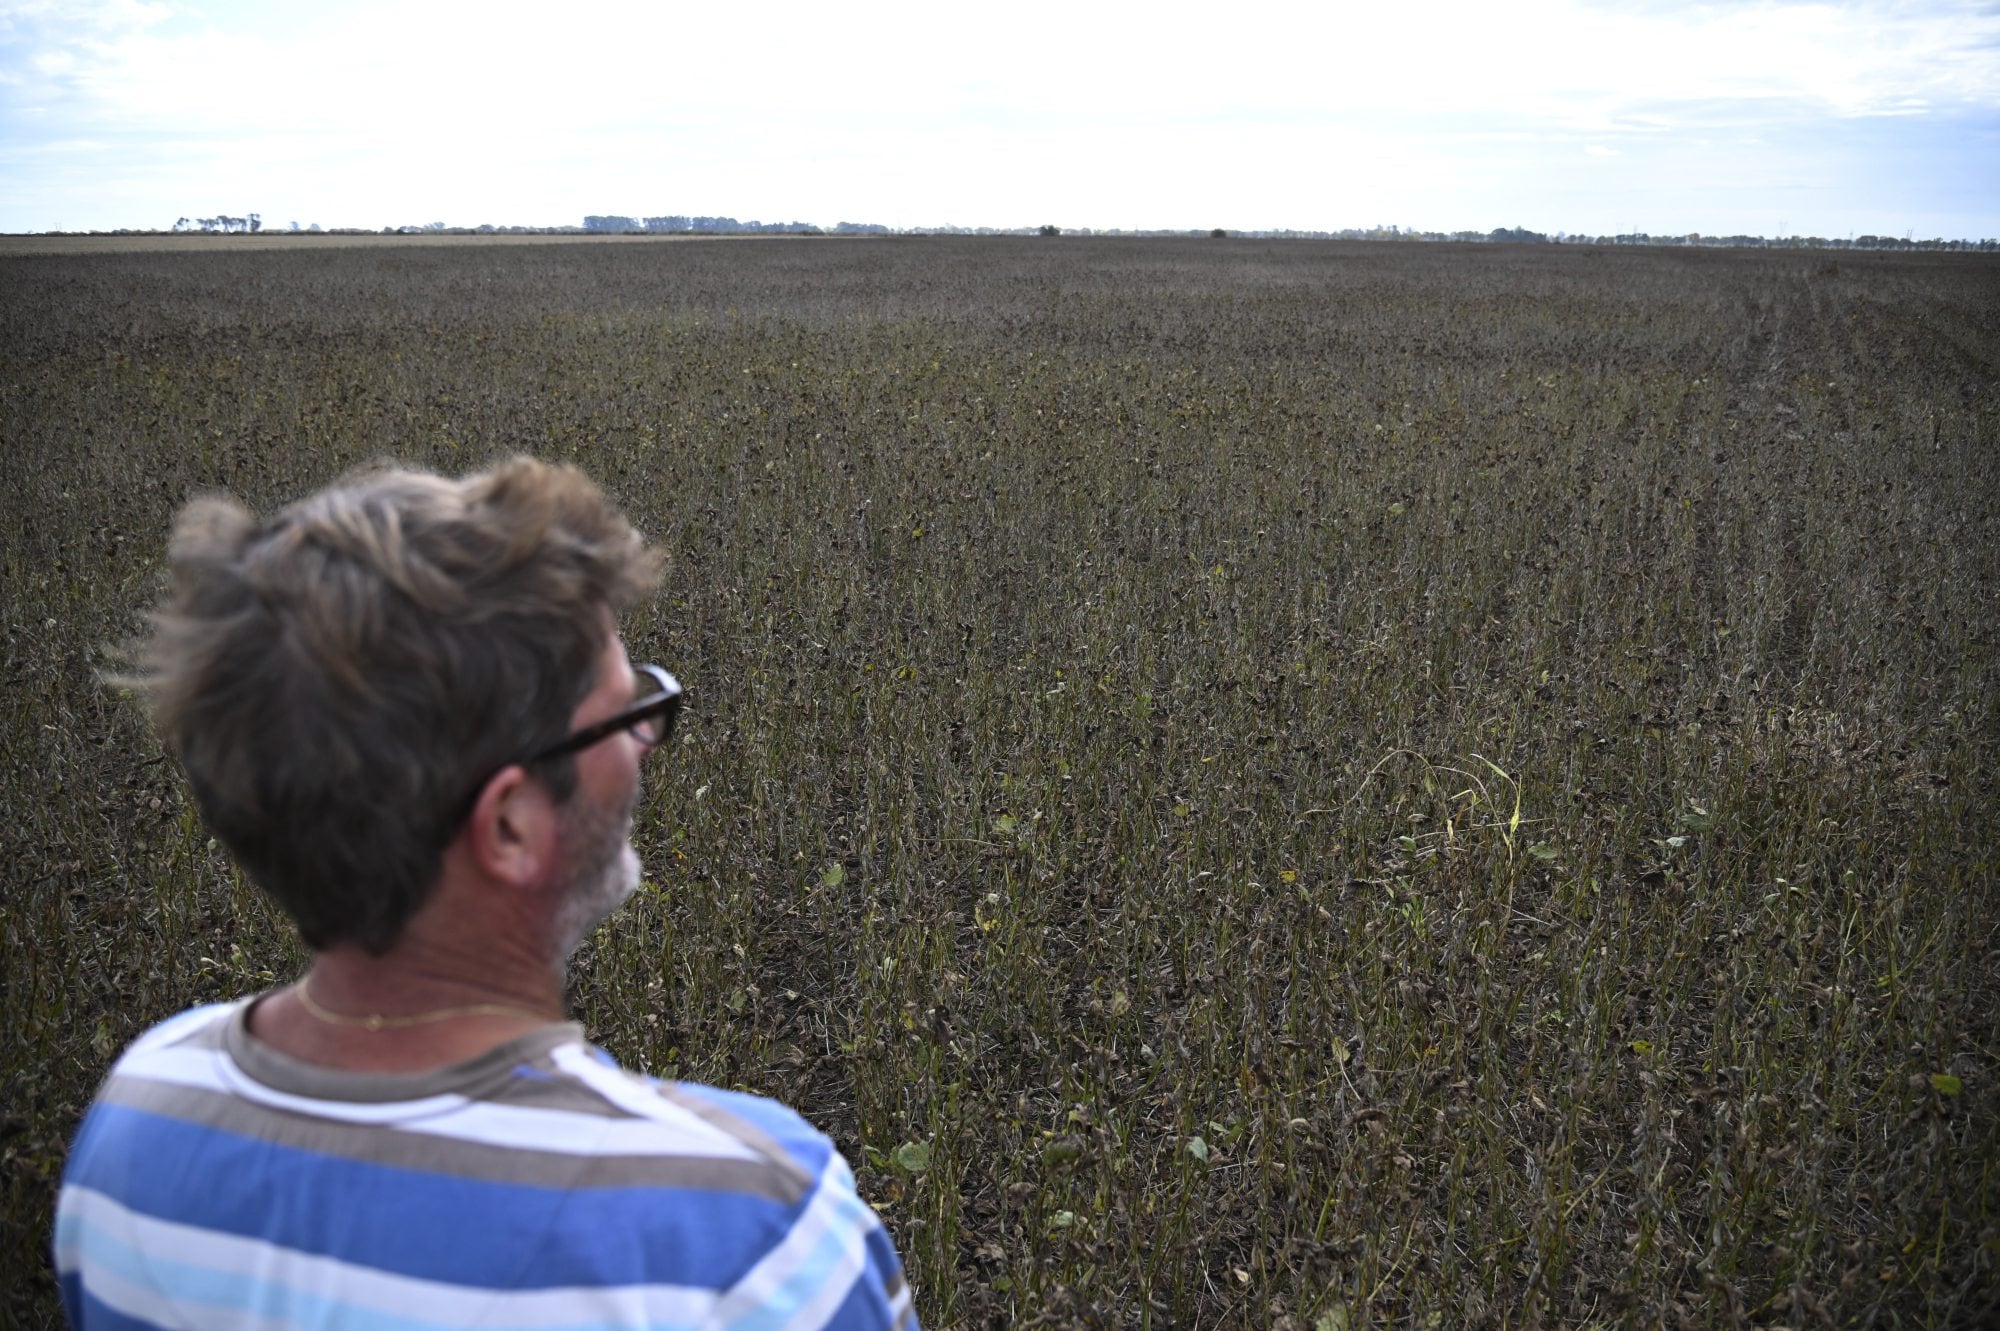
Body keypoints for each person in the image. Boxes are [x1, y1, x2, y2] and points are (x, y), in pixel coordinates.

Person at [53, 457, 917, 1330]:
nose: (648, 743)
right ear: (508, 825)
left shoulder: (137, 1120)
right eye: (625, 713)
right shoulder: (753, 1242)